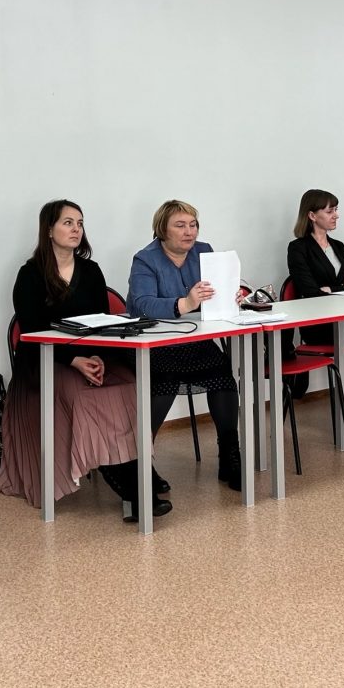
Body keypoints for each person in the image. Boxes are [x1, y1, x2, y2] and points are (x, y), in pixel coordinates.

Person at [0, 200, 165, 520]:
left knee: (129, 386)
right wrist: (74, 359)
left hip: (92, 355)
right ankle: (133, 490)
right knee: (84, 396)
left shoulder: (91, 271)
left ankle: (139, 476)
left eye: (79, 223)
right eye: (68, 223)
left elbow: (101, 322)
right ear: (49, 230)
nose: (76, 229)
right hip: (46, 361)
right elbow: (31, 330)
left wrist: (98, 356)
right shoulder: (30, 274)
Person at [127, 200, 242, 491]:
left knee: (223, 376)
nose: (189, 231)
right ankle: (141, 463)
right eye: (180, 225)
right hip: (156, 345)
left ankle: (230, 456)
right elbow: (141, 304)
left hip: (193, 342)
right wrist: (185, 303)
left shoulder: (204, 251)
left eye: (193, 225)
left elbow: (215, 294)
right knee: (164, 382)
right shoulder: (145, 259)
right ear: (162, 229)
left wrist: (232, 296)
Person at [285, 189, 344, 403]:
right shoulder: (298, 248)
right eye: (329, 211)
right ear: (312, 215)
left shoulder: (338, 246)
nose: (336, 215)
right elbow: (310, 292)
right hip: (319, 325)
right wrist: (342, 287)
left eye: (336, 210)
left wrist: (331, 288)